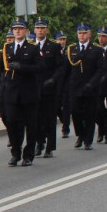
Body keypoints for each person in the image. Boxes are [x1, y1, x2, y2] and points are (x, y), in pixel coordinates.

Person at [0, 15, 41, 166]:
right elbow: (1, 72)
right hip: (11, 92)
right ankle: (15, 153)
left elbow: (39, 68)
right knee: (11, 122)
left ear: (26, 31)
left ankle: (28, 155)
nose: (17, 31)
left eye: (20, 29)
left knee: (30, 125)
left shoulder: (32, 48)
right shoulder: (7, 48)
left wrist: (21, 67)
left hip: (28, 92)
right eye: (15, 29)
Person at [65, 23, 103, 150]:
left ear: (89, 34)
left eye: (84, 33)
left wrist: (92, 83)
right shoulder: (72, 49)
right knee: (75, 113)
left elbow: (100, 69)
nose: (82, 35)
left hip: (90, 87)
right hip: (75, 87)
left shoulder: (96, 49)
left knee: (89, 114)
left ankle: (88, 140)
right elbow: (68, 68)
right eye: (80, 33)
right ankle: (80, 134)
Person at [33, 17, 65, 158]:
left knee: (49, 118)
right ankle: (39, 143)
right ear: (34, 30)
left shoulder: (54, 46)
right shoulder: (30, 46)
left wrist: (53, 79)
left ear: (46, 30)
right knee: (36, 118)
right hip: (34, 88)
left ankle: (50, 146)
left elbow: (61, 67)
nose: (40, 30)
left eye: (42, 28)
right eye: (38, 28)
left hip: (49, 88)